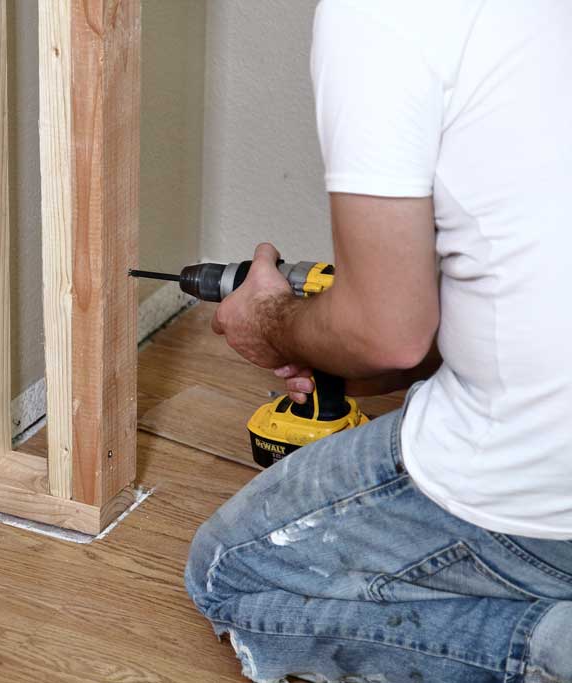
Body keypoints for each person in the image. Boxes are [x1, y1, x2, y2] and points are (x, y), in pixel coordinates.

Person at [184, 1, 572, 681]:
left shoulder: (381, 12)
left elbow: (387, 333)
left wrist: (270, 321)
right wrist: (355, 347)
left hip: (542, 487)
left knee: (227, 574)